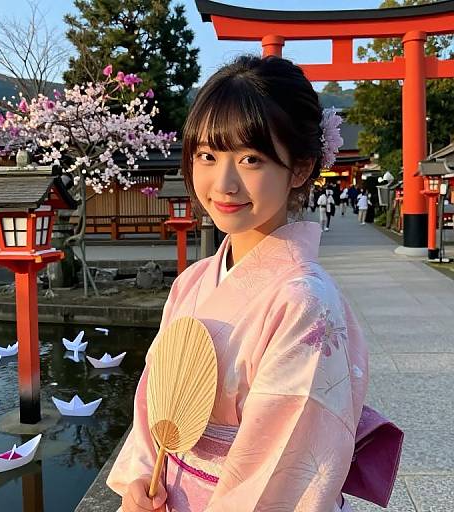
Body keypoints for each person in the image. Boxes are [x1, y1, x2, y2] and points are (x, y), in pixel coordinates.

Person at [107, 56, 401, 512]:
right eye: (207, 156)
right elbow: (155, 399)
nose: (223, 183)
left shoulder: (304, 302)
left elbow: (284, 463)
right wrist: (142, 479)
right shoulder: (192, 282)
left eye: (250, 159)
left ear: (300, 170)